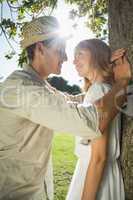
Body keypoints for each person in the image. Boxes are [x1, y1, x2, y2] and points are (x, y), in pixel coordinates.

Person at [0, 16, 131, 200]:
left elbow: (76, 100)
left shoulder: (40, 87)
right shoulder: (21, 89)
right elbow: (90, 121)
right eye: (60, 50)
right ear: (40, 48)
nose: (66, 57)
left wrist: (102, 70)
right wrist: (123, 82)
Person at [66, 39, 126, 200]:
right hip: (98, 173)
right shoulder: (101, 91)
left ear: (97, 56)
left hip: (95, 176)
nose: (73, 60)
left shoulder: (99, 91)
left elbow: (99, 157)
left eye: (80, 54)